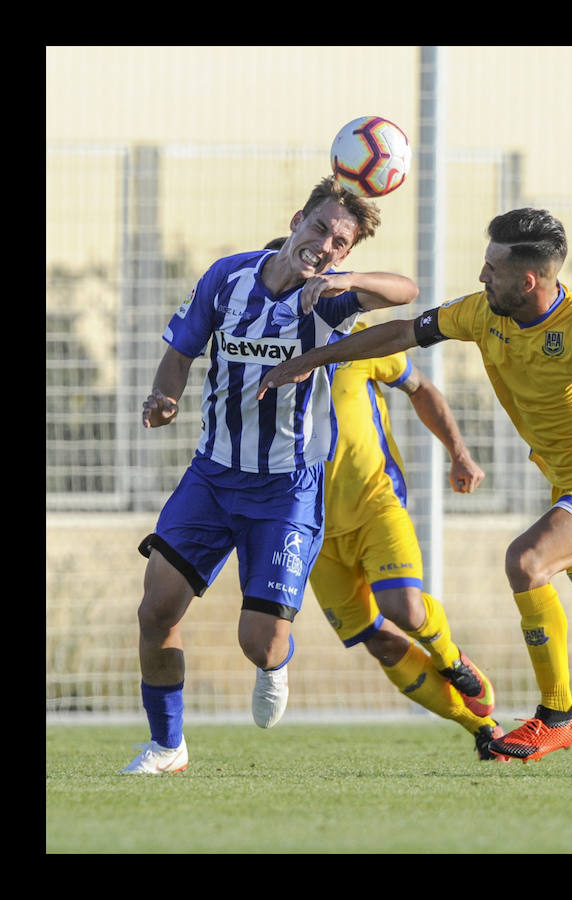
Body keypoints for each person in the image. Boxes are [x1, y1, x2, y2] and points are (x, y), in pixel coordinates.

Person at [256, 207, 572, 778]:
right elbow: (402, 333)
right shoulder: (482, 314)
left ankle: (557, 713)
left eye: (493, 267)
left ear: (528, 280)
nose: (482, 275)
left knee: (526, 560)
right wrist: (313, 359)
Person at [122, 177, 419, 774]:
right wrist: (164, 395)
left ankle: (276, 662)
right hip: (211, 477)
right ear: (296, 220)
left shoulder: (329, 299)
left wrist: (350, 281)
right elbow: (183, 348)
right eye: (320, 228)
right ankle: (167, 747)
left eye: (341, 242)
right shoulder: (227, 277)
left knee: (258, 643)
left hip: (286, 490)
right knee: (156, 610)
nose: (325, 245)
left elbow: (407, 291)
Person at [266, 238, 505, 760]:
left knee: (406, 608)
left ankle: (451, 660)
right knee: (376, 638)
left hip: (376, 504)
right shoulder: (258, 363)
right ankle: (480, 731)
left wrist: (459, 453)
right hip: (309, 528)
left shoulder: (359, 346)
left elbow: (421, 388)